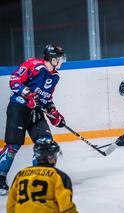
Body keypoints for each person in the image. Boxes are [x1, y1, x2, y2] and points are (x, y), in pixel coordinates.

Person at [0, 44, 66, 195]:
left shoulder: (55, 76)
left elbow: (46, 98)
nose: (62, 61)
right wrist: (27, 94)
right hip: (19, 108)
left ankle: (41, 178)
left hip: (35, 112)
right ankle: (0, 177)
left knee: (46, 142)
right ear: (53, 59)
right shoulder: (33, 64)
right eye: (60, 58)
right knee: (13, 146)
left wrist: (53, 112)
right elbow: (14, 80)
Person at [7, 137, 78, 213]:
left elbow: (11, 204)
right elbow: (66, 208)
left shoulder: (20, 174)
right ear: (50, 157)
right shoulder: (58, 176)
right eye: (54, 155)